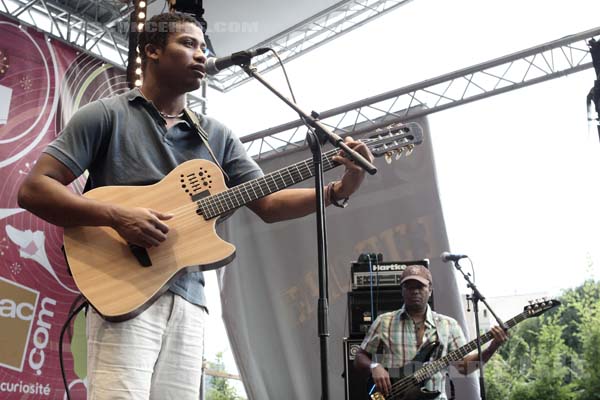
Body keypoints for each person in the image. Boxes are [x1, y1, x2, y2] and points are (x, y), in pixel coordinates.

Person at [17, 11, 373, 400]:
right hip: (121, 289)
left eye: (203, 47)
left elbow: (268, 203)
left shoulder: (217, 135)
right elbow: (35, 189)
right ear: (152, 51)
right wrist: (116, 216)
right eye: (188, 44)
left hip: (190, 299)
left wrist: (338, 189)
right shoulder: (106, 115)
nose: (201, 54)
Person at [354, 265, 508, 399]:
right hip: (389, 396)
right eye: (409, 287)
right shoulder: (384, 321)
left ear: (430, 290)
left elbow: (464, 368)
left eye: (420, 286)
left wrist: (492, 348)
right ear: (402, 290)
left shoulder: (448, 325)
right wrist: (374, 366)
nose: (414, 291)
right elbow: (360, 357)